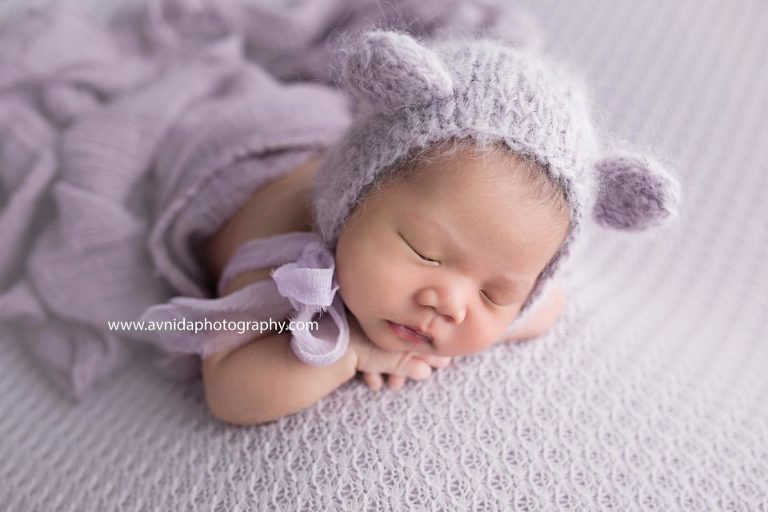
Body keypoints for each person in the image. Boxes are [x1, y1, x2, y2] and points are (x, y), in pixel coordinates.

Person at [198, 30, 681, 426]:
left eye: (494, 293)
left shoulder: (488, 269)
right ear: (353, 202)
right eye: (424, 253)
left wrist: (501, 313)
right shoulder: (285, 263)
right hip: (230, 155)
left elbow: (546, 305)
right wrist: (348, 354)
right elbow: (229, 389)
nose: (448, 304)